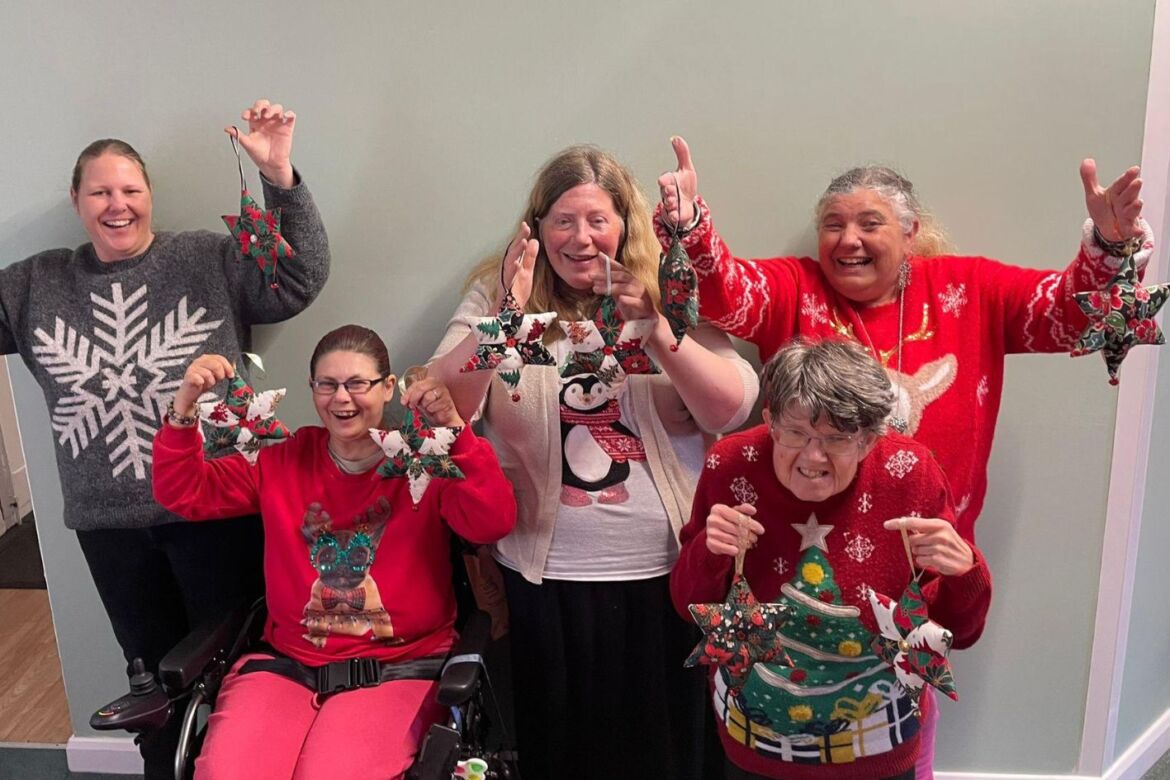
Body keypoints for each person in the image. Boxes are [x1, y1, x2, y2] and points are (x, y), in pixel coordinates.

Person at [655, 138, 1150, 776]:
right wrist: (692, 226)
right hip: (786, 555)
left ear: (910, 232)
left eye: (869, 223)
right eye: (832, 224)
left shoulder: (970, 288)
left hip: (922, 560)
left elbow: (1068, 316)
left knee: (901, 716)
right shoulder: (795, 288)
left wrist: (1109, 249)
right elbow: (727, 291)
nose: (848, 239)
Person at [0, 99, 329, 775]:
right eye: (100, 191)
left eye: (130, 190)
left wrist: (280, 178)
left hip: (218, 511)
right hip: (110, 527)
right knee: (154, 690)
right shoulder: (37, 282)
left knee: (243, 676)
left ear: (150, 196)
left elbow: (298, 278)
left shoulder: (207, 258)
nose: (116, 205)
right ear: (76, 200)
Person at [427, 144, 760, 779]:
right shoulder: (500, 292)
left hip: (668, 573)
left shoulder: (666, 286)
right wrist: (502, 319)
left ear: (624, 226)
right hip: (545, 576)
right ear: (536, 227)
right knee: (567, 750)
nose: (581, 237)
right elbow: (446, 405)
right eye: (562, 220)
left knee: (669, 750)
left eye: (598, 220)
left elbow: (730, 406)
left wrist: (655, 328)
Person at [152, 324, 517, 779]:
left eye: (357, 383)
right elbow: (183, 492)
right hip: (287, 664)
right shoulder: (282, 459)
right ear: (313, 390)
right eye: (327, 384)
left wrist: (455, 432)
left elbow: (493, 522)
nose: (341, 398)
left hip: (400, 665)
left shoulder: (420, 460)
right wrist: (183, 410)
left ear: (388, 388)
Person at [671, 338, 992, 780]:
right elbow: (688, 604)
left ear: (868, 440)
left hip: (878, 748)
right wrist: (707, 553)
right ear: (770, 421)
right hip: (756, 745)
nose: (812, 456)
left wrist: (965, 575)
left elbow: (961, 632)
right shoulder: (731, 465)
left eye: (836, 439)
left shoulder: (910, 473)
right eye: (795, 433)